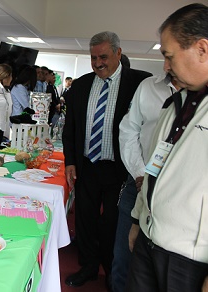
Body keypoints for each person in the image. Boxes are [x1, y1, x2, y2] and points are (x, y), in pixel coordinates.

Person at [127, 4, 208, 291]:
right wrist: (138, 220)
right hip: (149, 241)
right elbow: (154, 167)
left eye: (169, 56)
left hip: (190, 259)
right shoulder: (174, 105)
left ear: (202, 49)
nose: (165, 66)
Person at [62, 31, 151, 289]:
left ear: (118, 53)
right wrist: (70, 161)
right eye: (93, 57)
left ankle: (112, 270)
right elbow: (71, 128)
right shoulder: (80, 85)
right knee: (85, 220)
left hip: (119, 169)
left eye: (103, 56)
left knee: (112, 222)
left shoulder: (139, 83)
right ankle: (88, 267)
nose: (98, 62)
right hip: (87, 165)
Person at [112, 73, 179, 292]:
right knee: (123, 258)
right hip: (138, 184)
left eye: (171, 55)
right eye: (164, 56)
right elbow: (129, 131)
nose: (167, 64)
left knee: (160, 271)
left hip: (177, 196)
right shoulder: (149, 87)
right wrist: (141, 174)